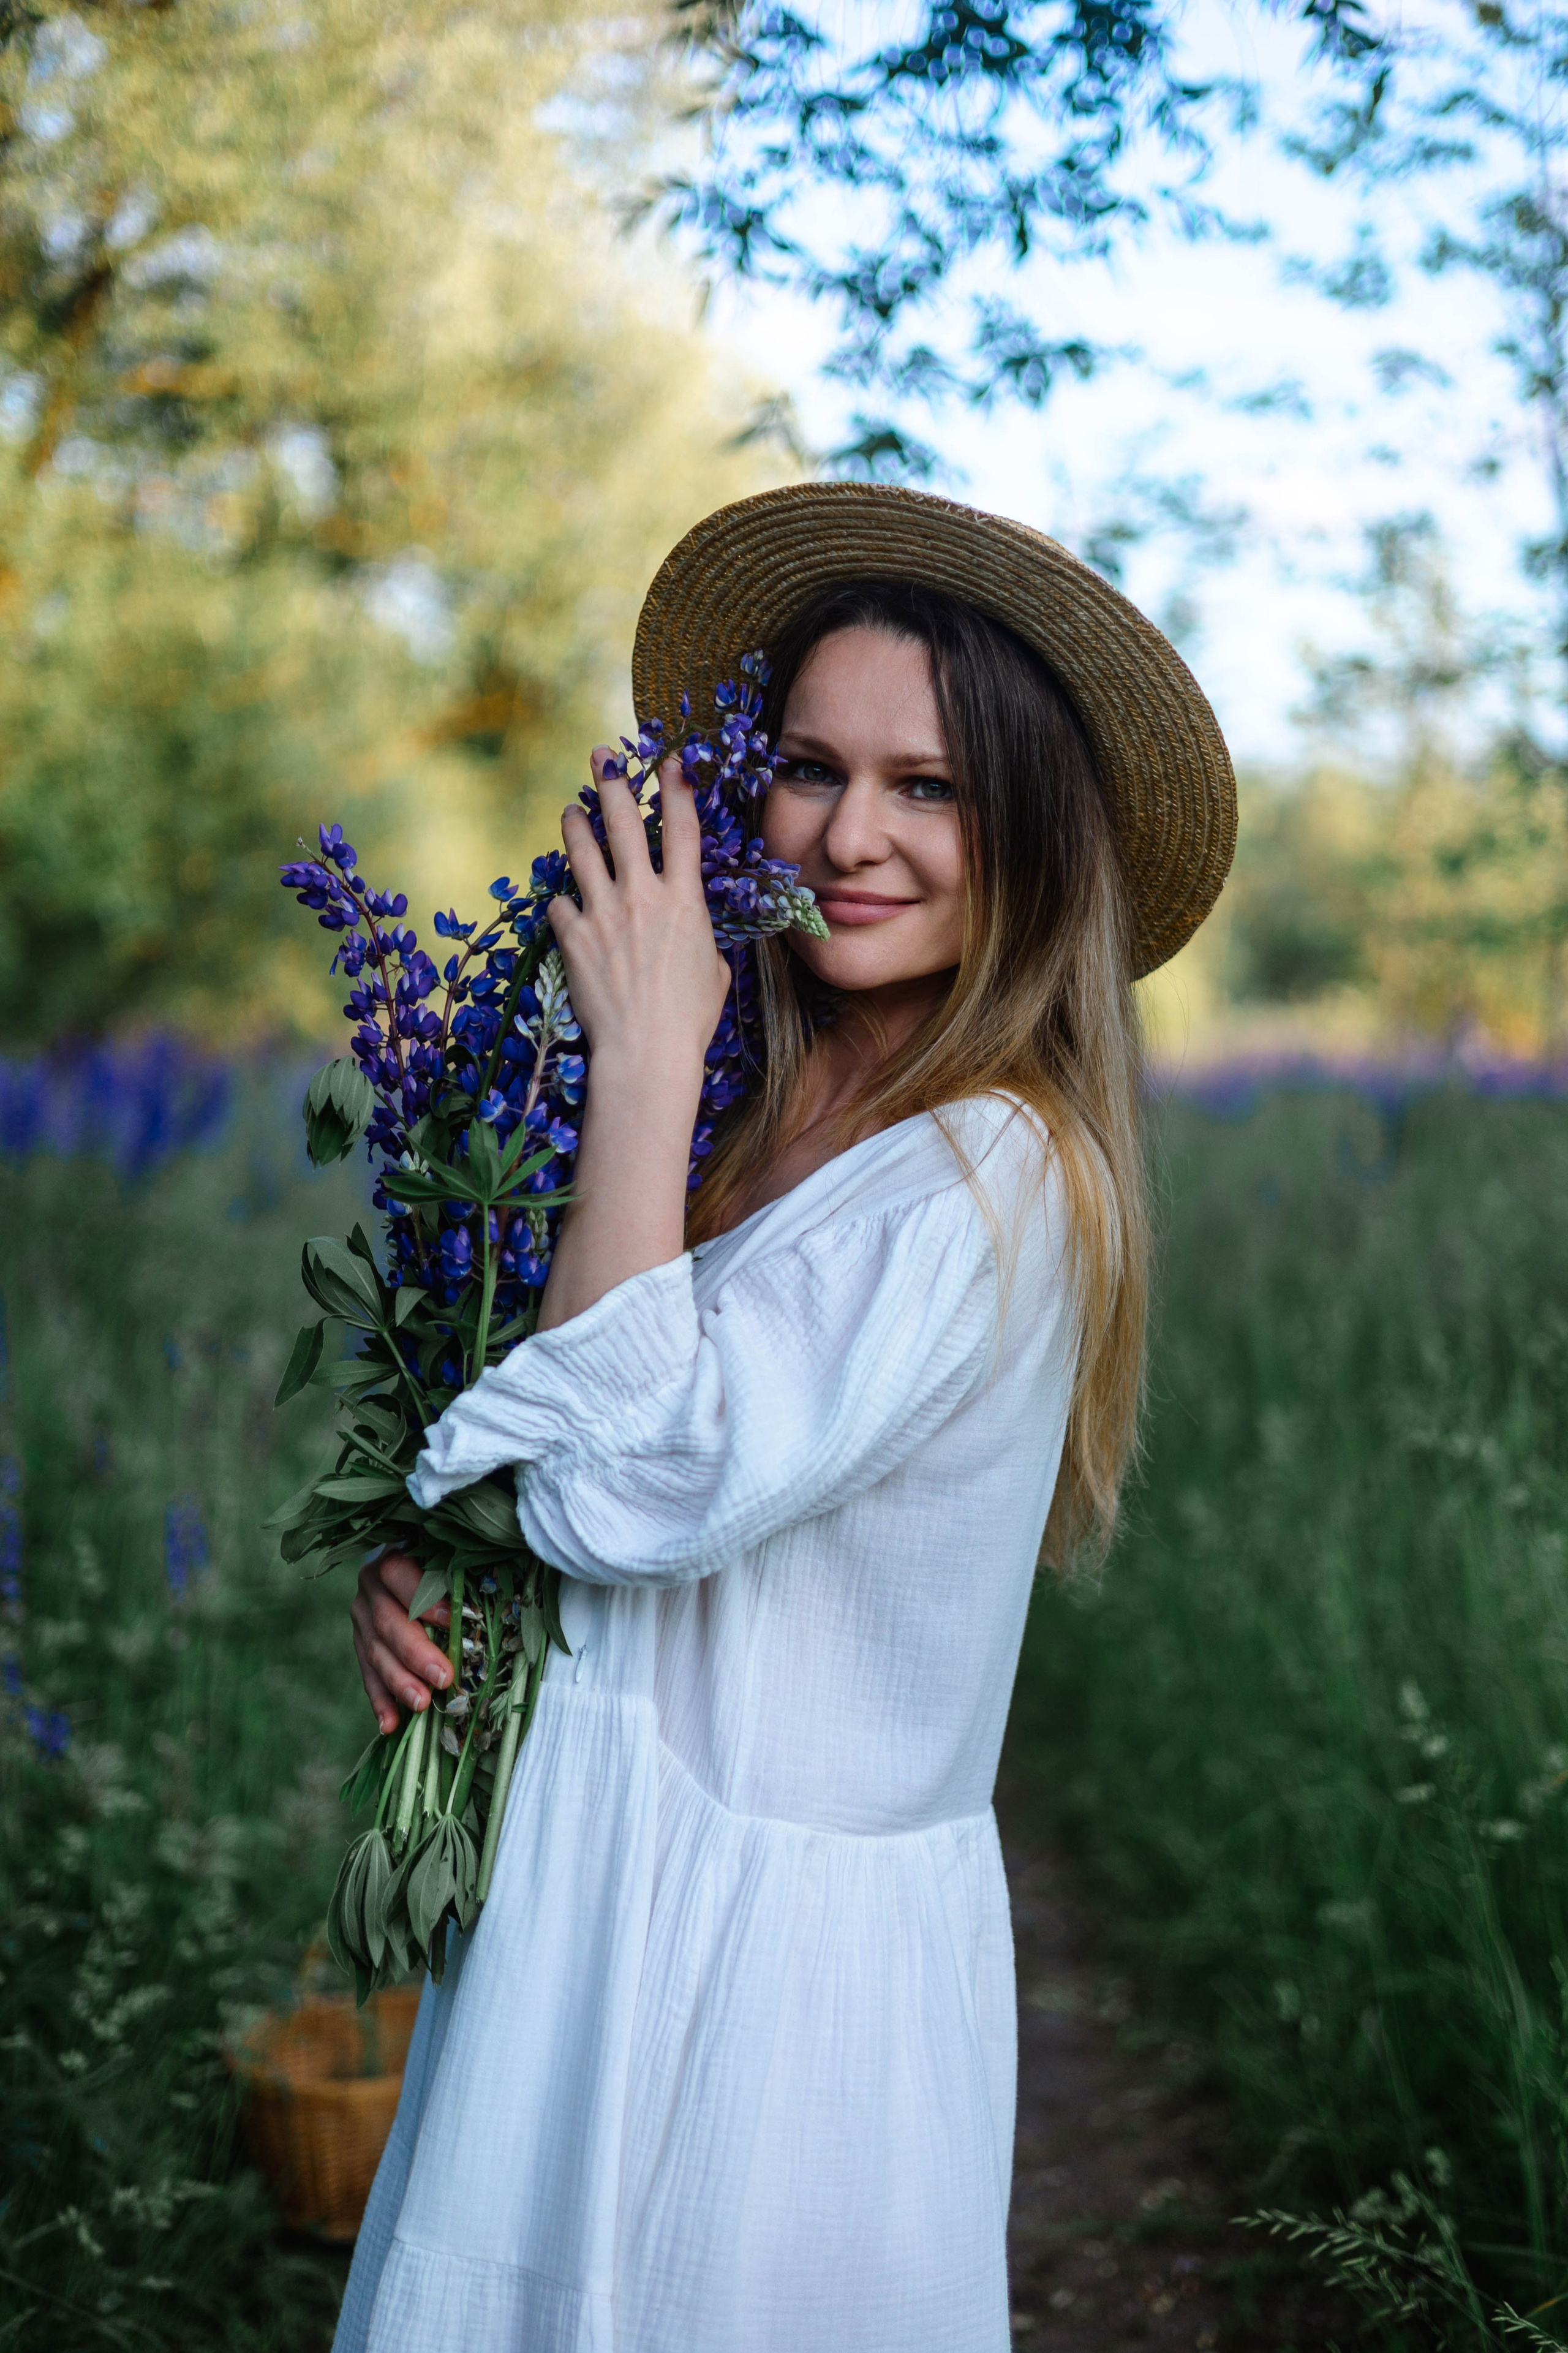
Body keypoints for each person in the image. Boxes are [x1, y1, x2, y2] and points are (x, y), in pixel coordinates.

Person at [333, 482, 1235, 2353]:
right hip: (589, 1902)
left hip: (773, 1987)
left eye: (931, 787)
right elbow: (567, 1453)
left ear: (1037, 839)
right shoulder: (763, 1105)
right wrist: (449, 1582)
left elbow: (630, 1484)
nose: (847, 834)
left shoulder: (992, 1173)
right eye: (810, 767)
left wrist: (642, 1055)